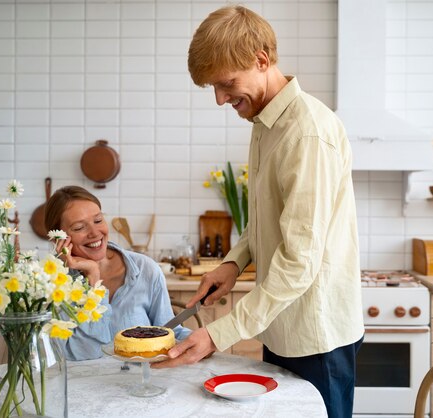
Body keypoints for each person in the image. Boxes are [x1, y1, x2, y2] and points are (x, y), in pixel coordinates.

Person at [152, 6, 364, 416]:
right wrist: (232, 264)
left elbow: (299, 262)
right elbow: (265, 219)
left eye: (227, 83)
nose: (220, 99)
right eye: (213, 88)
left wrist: (217, 335)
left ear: (262, 60)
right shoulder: (266, 124)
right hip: (282, 326)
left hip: (316, 336)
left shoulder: (307, 134)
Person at [44, 185, 190, 360]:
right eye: (79, 227)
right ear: (58, 239)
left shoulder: (145, 269)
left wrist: (207, 339)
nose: (95, 233)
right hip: (82, 385)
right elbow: (86, 356)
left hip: (142, 383)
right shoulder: (51, 286)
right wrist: (94, 277)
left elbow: (170, 332)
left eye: (98, 221)